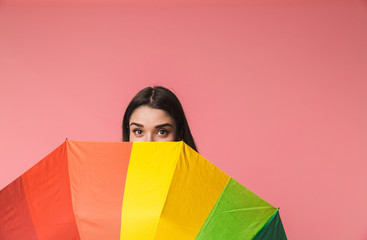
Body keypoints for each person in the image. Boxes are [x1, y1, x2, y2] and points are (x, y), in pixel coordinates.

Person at [122, 86, 198, 152]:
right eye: (138, 131)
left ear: (179, 133)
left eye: (162, 132)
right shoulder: (114, 168)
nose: (149, 143)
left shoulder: (200, 168)